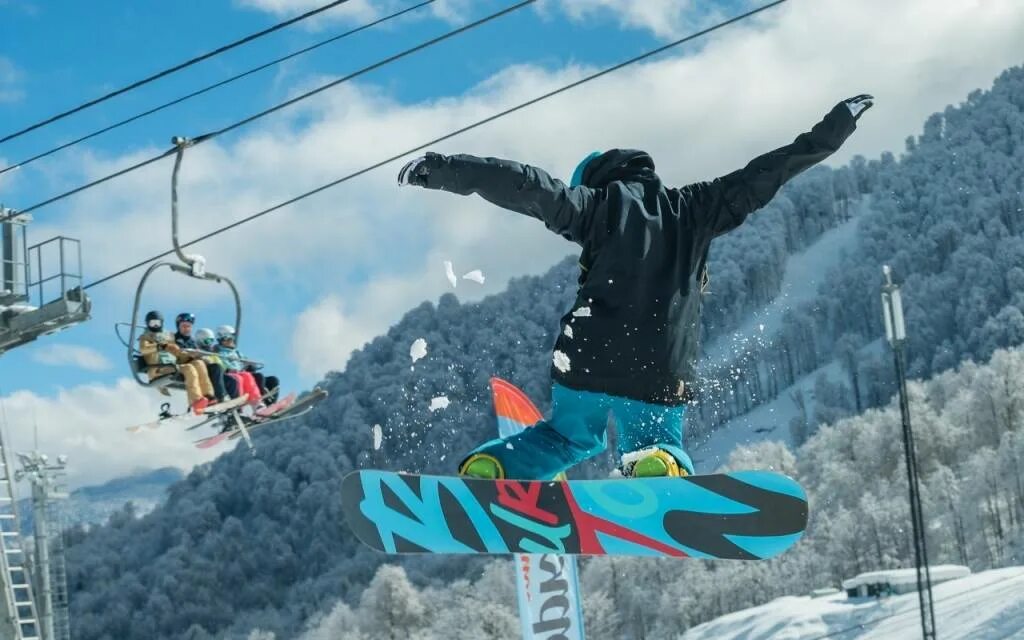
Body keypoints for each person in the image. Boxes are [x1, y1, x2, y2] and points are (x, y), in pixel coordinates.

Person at [397, 95, 874, 480]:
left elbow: (528, 186)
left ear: (596, 182)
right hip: (657, 365)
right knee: (654, 437)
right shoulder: (696, 207)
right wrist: (833, 131)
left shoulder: (594, 207)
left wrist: (446, 170)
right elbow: (765, 174)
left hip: (585, 358)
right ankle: (655, 465)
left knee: (567, 437)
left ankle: (496, 467)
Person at [137, 310, 217, 415]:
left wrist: (191, 356)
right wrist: (160, 346)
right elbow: (144, 349)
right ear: (147, 324)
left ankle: (208, 396)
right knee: (189, 369)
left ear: (162, 322)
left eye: (158, 323)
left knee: (199, 364)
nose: (155, 325)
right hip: (158, 369)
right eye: (152, 323)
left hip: (172, 366)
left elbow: (177, 353)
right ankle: (195, 401)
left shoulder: (168, 336)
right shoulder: (145, 337)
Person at [174, 312, 234, 403]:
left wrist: (202, 357)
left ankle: (220, 398)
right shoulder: (175, 339)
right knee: (214, 368)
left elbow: (199, 354)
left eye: (189, 326)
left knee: (217, 368)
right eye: (183, 326)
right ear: (178, 327)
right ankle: (220, 396)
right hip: (184, 366)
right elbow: (175, 352)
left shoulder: (192, 341)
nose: (186, 329)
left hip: (198, 365)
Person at [215, 324, 279, 405]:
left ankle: (271, 404)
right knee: (259, 377)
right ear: (223, 339)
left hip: (245, 374)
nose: (232, 340)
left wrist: (250, 365)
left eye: (232, 338)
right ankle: (261, 401)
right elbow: (223, 366)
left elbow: (245, 361)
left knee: (273, 380)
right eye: (230, 338)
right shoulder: (219, 353)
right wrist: (234, 369)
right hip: (235, 377)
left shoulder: (236, 352)